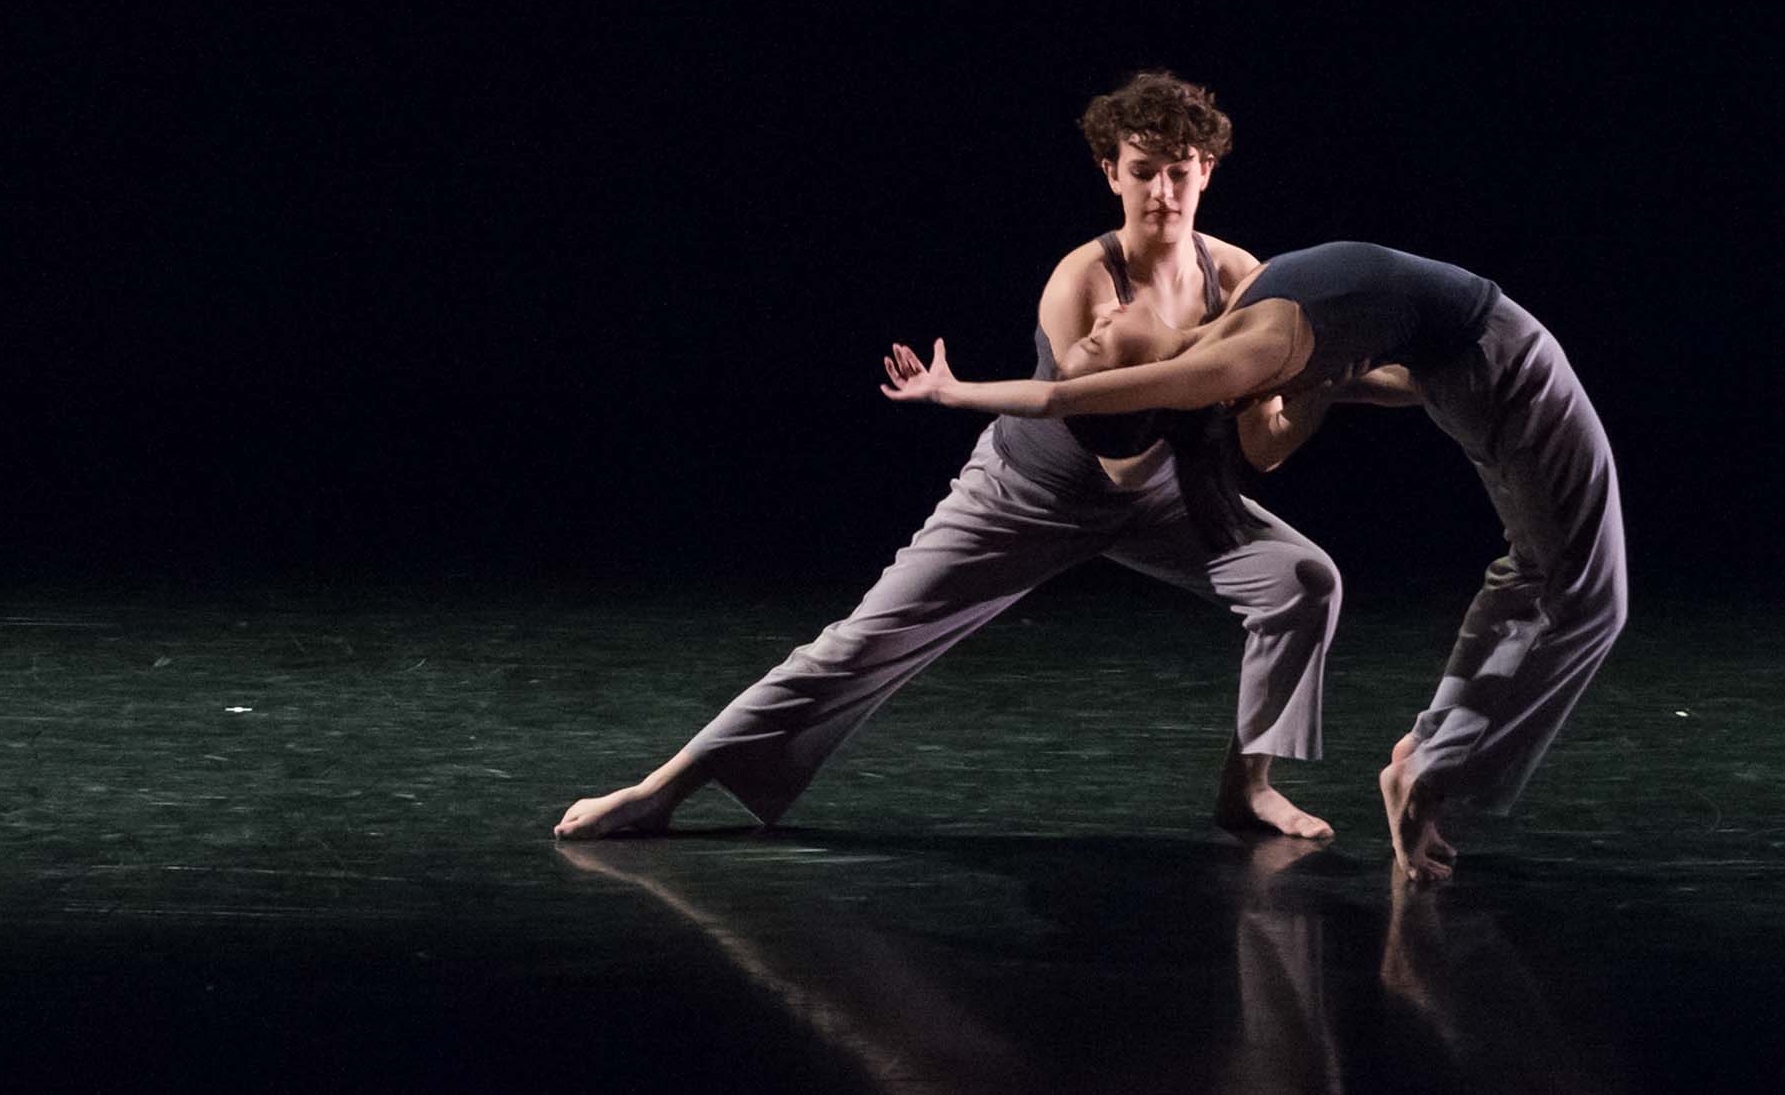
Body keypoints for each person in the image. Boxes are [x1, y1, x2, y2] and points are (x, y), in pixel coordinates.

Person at [556, 72, 1369, 842]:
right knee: (861, 640)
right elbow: (1113, 448)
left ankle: (1249, 786)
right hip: (1029, 493)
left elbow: (1259, 450)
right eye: (1143, 172)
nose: (1163, 192)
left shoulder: (1241, 279)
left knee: (1304, 581)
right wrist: (1223, 391)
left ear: (1208, 172)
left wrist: (1314, 387)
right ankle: (661, 788)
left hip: (1160, 494)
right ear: (1109, 174)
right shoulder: (1083, 281)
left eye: (1180, 172)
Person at [879, 240, 1627, 883]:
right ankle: (1433, 768)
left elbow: (1384, 383)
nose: (1102, 318)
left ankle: (1431, 758)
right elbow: (1056, 399)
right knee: (1582, 595)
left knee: (1547, 580)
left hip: (1476, 371)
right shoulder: (1231, 360)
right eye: (1102, 342)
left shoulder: (1224, 336)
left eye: (1095, 328)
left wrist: (1364, 380)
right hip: (1507, 361)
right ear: (1142, 375)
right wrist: (952, 390)